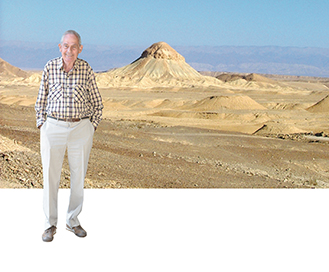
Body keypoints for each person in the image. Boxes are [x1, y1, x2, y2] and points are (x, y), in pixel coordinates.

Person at [35, 30, 103, 242]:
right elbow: (40, 100)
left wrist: (91, 127)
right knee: (50, 176)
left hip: (80, 129)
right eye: (66, 45)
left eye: (74, 46)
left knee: (78, 176)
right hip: (52, 127)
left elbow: (97, 103)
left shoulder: (86, 69)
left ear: (80, 49)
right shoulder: (49, 67)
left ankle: (72, 221)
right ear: (60, 47)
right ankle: (49, 224)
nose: (69, 50)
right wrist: (42, 125)